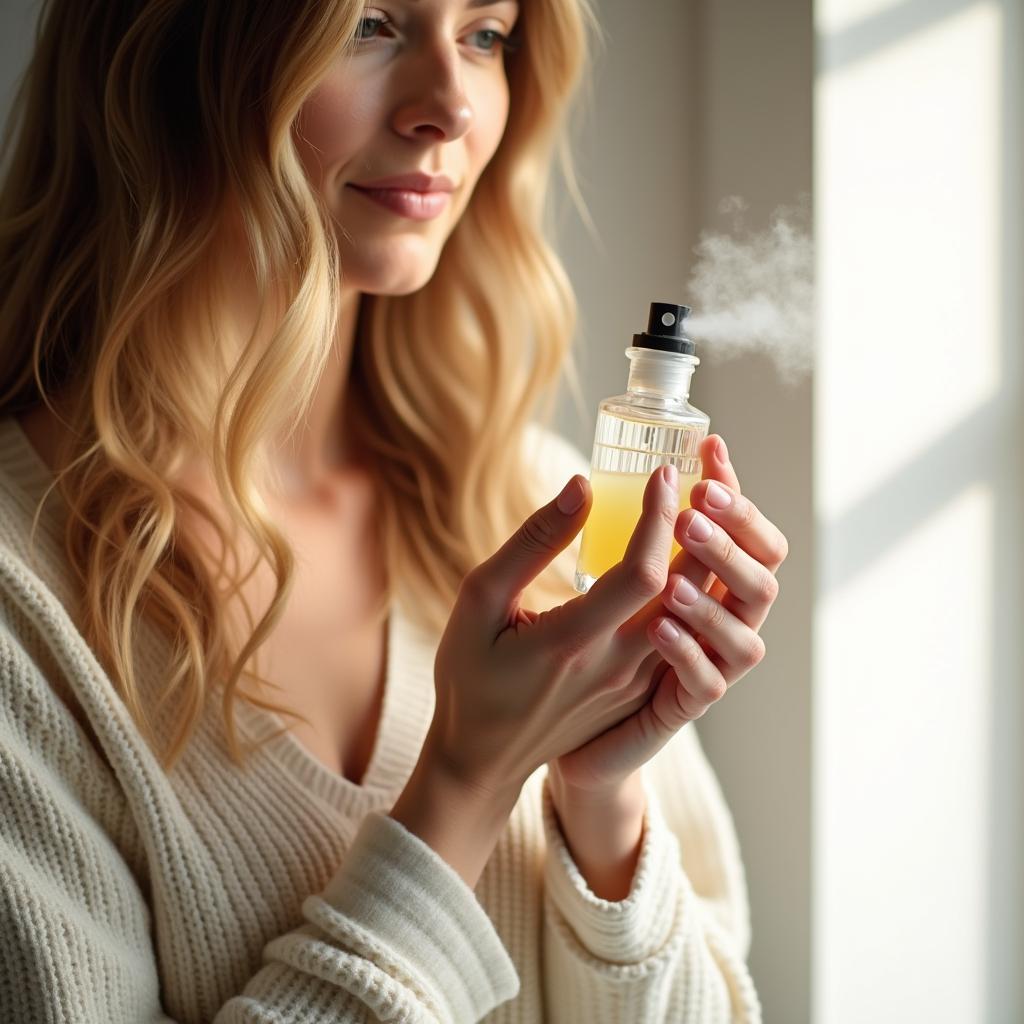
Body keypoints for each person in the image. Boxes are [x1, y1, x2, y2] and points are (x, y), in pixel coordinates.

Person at [0, 0, 789, 1020]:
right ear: (169, 55)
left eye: (486, 34)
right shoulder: (28, 607)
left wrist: (598, 802)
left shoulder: (539, 505)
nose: (450, 105)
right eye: (368, 25)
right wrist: (465, 783)